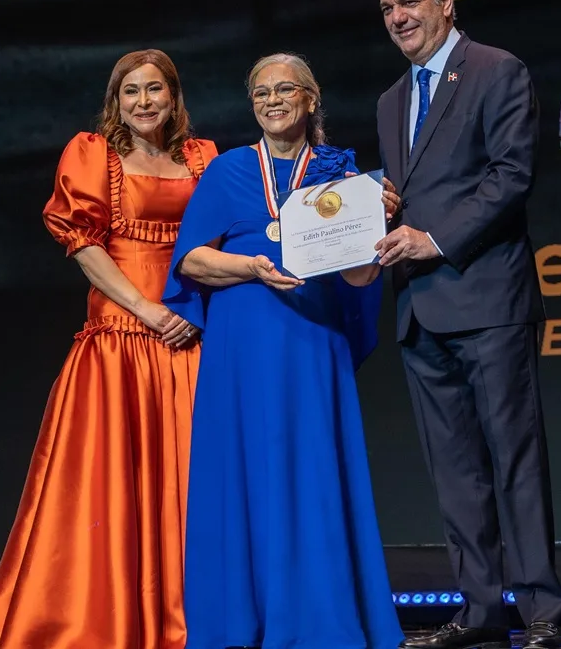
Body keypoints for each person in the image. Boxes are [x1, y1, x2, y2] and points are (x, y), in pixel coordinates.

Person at [0, 49, 218, 649]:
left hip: (189, 342)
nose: (145, 102)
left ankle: (190, 623)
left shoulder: (203, 159)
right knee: (111, 489)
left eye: (156, 90)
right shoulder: (93, 157)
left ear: (174, 98)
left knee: (191, 486)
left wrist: (188, 313)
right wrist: (149, 310)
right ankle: (108, 624)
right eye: (132, 92)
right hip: (121, 347)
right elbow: (84, 247)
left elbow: (226, 238)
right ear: (116, 103)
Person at [162, 52, 404, 649]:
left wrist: (373, 229)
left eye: (285, 89)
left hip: (311, 341)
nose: (272, 100)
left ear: (311, 98)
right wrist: (251, 266)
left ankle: (321, 619)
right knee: (243, 472)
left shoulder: (340, 173)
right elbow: (190, 260)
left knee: (313, 468)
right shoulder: (228, 170)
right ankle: (239, 621)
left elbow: (359, 282)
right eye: (260, 93)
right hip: (243, 345)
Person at [372, 0, 561, 649]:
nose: (399, 17)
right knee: (454, 471)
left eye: (410, 3)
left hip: (487, 299)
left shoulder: (496, 70)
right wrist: (381, 210)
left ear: (446, 2)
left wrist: (435, 239)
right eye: (389, 8)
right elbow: (412, 194)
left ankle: (541, 611)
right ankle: (481, 609)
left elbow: (511, 177)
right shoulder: (391, 101)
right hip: (419, 312)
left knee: (514, 458)